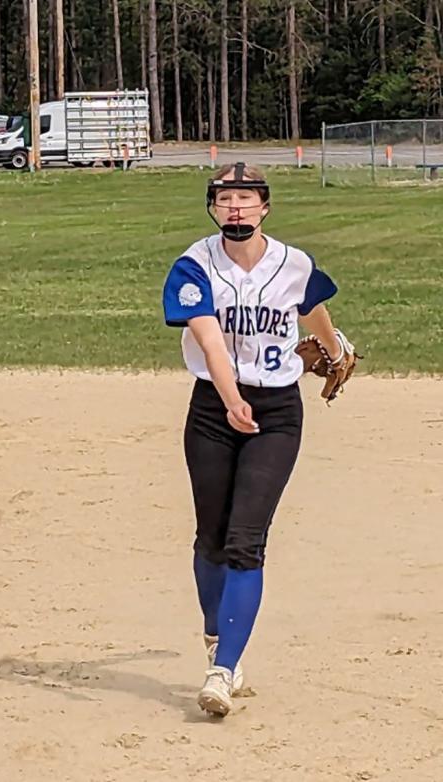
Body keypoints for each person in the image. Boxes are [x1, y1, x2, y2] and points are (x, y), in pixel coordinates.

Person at [161, 162, 359, 717]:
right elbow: (208, 341)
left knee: (247, 540)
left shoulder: (293, 263)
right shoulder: (193, 265)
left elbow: (310, 307)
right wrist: (229, 398)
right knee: (211, 539)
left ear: (266, 206)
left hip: (276, 412)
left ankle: (222, 671)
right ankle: (217, 632)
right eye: (226, 199)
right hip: (212, 409)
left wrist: (335, 348)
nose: (237, 208)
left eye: (247, 198)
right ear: (213, 207)